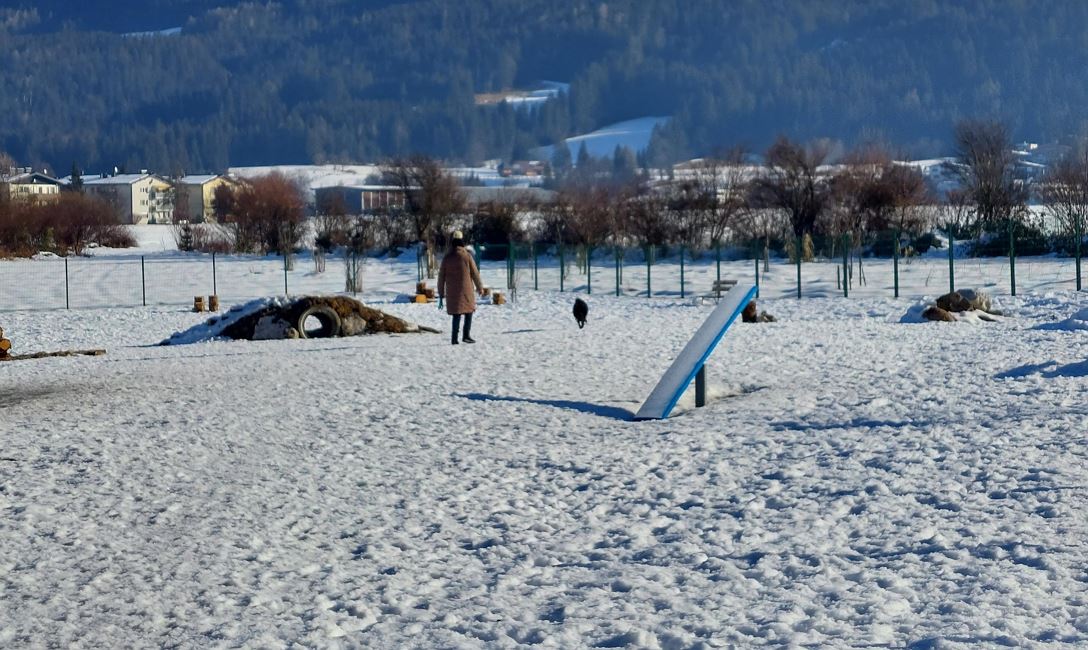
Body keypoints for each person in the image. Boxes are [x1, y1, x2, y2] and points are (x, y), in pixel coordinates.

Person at [437, 230, 484, 345]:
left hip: (452, 292)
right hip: (466, 290)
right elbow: (475, 273)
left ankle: (454, 338)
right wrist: (480, 287)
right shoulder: (467, 256)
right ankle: (466, 335)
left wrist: (441, 293)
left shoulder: (447, 258)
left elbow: (441, 277)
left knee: (456, 314)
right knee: (469, 312)